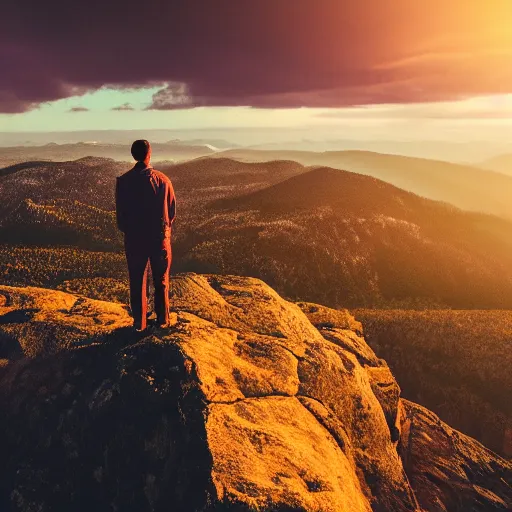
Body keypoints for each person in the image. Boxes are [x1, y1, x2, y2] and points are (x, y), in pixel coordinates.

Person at [115, 140, 176, 330]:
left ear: (133, 155)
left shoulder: (124, 182)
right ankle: (163, 321)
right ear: (149, 154)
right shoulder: (163, 180)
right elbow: (172, 212)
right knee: (161, 280)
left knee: (137, 280)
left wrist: (132, 230)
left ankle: (139, 324)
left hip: (135, 239)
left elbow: (121, 218)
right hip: (159, 239)